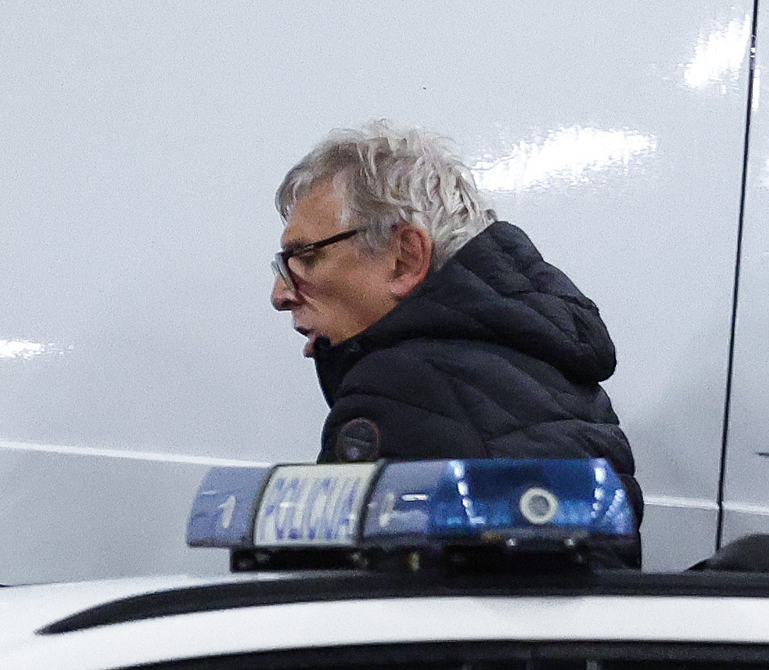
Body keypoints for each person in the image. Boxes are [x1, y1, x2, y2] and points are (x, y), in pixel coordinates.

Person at [271, 123, 635, 493]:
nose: (280, 294)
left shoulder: (400, 392)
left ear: (405, 258)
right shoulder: (554, 375)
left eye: (305, 257)